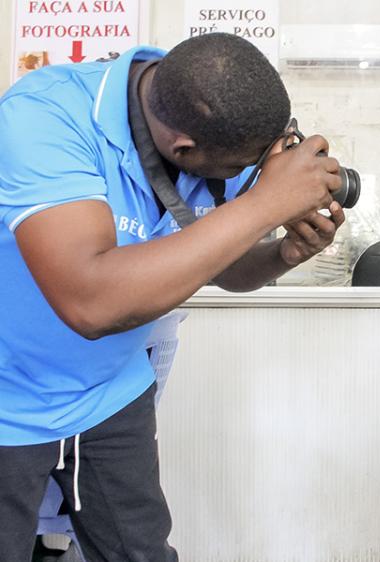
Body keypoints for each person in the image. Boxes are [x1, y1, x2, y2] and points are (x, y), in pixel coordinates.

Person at [0, 33, 346, 561]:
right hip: (10, 395)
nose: (241, 183)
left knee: (142, 553)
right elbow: (90, 304)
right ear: (183, 148)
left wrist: (282, 254)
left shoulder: (205, 111)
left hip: (110, 393)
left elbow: (220, 265)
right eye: (237, 171)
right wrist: (264, 204)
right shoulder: (43, 118)